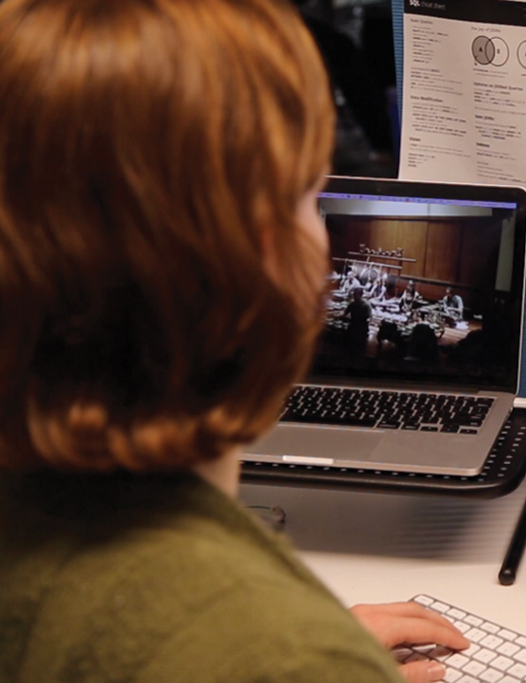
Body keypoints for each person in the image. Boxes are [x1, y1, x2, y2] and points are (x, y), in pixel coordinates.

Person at [0, 2, 468, 683]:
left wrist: (295, 633)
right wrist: (297, 653)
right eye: (310, 196)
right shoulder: (274, 656)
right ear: (255, 261)